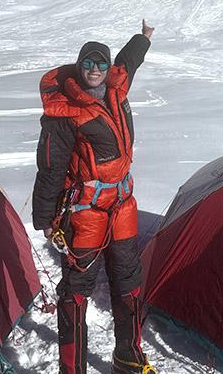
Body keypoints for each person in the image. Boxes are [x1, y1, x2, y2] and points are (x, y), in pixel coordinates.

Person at [32, 21, 156, 373]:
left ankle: (128, 356)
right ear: (79, 66)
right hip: (86, 210)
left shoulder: (116, 90)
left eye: (100, 64)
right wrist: (44, 216)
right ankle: (72, 369)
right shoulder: (66, 110)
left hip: (122, 206)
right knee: (76, 291)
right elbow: (51, 166)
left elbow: (128, 62)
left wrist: (142, 39)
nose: (96, 70)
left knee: (128, 280)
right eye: (88, 64)